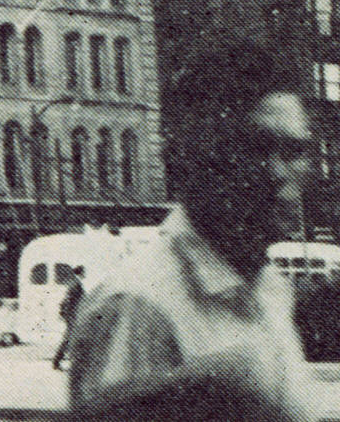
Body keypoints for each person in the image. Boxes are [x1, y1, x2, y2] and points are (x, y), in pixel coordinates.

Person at [68, 40, 315, 422]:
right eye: (255, 148)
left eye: (294, 152)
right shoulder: (140, 306)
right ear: (201, 157)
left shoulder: (270, 289)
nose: (280, 173)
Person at [52, 267, 84, 371]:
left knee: (69, 338)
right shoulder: (76, 284)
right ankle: (57, 361)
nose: (84, 275)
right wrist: (72, 316)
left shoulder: (74, 283)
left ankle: (57, 361)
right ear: (79, 273)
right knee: (69, 339)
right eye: (83, 273)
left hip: (71, 315)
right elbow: (71, 301)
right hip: (72, 315)